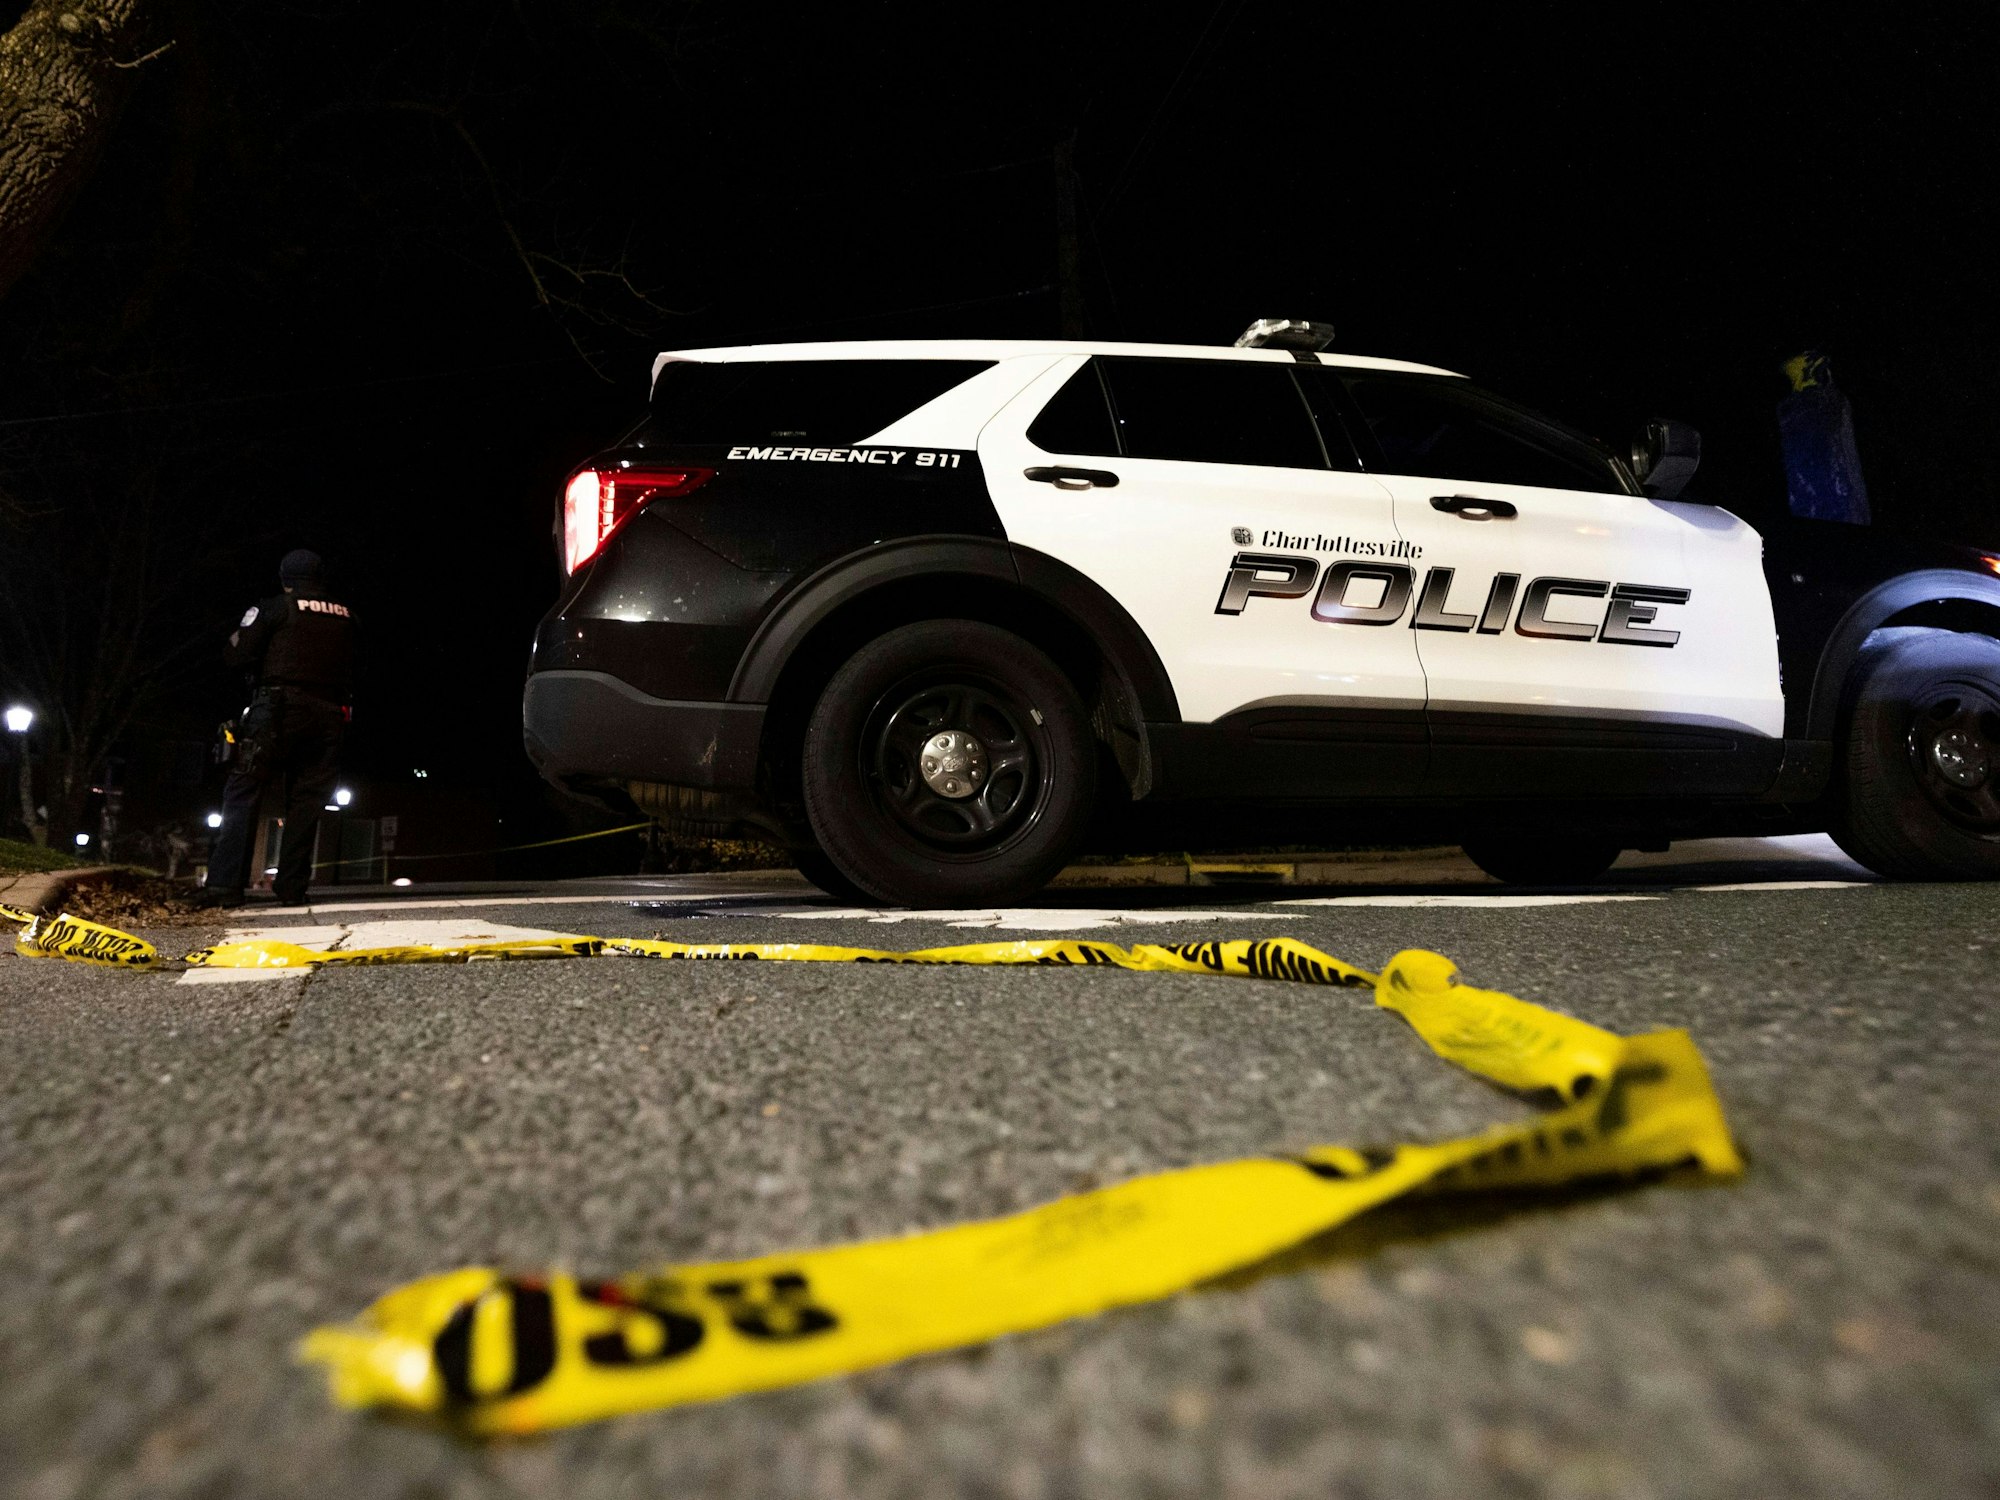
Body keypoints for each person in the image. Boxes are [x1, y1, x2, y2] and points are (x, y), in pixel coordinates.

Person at [197, 550, 355, 908]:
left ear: (286, 580)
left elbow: (237, 654)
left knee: (244, 791)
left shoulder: (275, 608)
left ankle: (224, 885)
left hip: (278, 711)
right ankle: (292, 887)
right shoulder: (347, 616)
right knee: (306, 801)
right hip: (330, 714)